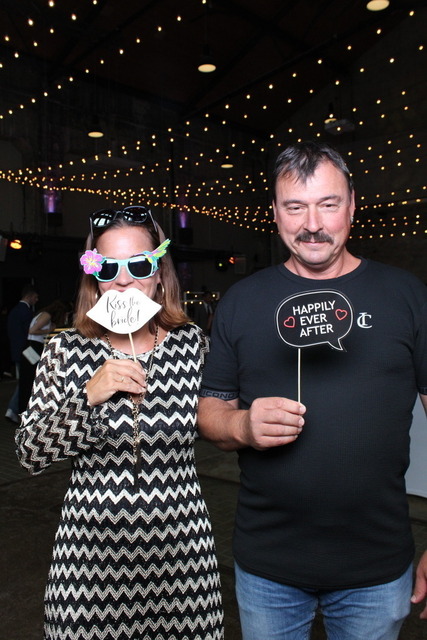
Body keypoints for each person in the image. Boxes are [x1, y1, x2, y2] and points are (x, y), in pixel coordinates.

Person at [197, 141, 427, 640]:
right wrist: (243, 425)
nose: (313, 224)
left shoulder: (406, 296)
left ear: (352, 205)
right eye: (295, 207)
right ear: (275, 213)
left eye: (328, 204)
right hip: (268, 567)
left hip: (377, 566)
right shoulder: (242, 300)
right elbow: (210, 411)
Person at [15, 205, 224, 640]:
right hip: (89, 566)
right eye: (109, 267)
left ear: (159, 273)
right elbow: (29, 453)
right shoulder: (65, 350)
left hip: (182, 560)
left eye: (139, 265)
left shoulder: (193, 345)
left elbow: (223, 421)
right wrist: (87, 397)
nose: (124, 279)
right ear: (95, 276)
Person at [18, 299, 68, 413]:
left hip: (31, 346)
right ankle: (24, 408)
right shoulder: (47, 315)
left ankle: (23, 408)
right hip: (33, 346)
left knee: (27, 379)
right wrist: (49, 330)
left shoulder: (43, 314)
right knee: (29, 379)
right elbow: (32, 330)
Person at [5, 284, 38, 423]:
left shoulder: (14, 311)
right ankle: (13, 409)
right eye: (35, 297)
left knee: (22, 381)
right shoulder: (26, 312)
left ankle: (13, 409)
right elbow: (29, 332)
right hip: (26, 351)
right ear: (30, 296)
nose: (36, 300)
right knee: (25, 381)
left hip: (16, 349)